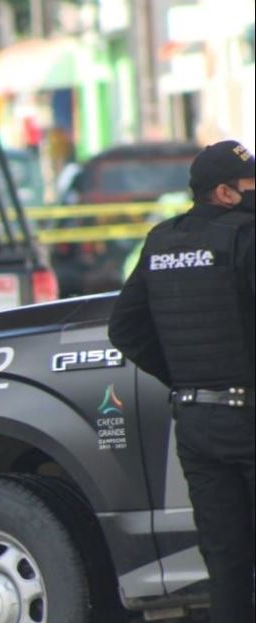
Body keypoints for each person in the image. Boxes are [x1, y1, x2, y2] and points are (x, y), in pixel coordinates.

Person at [108, 140, 255, 623]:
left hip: (195, 420)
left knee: (225, 561)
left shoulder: (161, 241)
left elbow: (124, 329)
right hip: (249, 416)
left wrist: (186, 378)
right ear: (225, 193)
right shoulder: (247, 237)